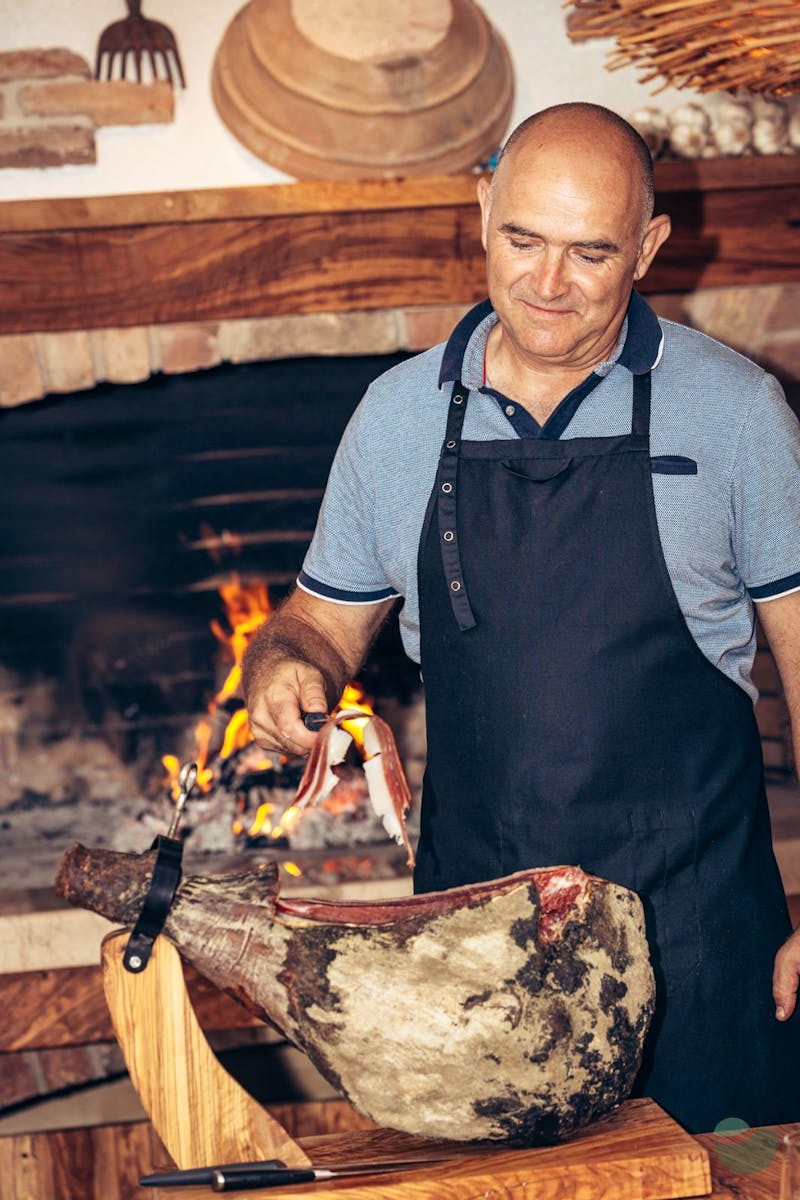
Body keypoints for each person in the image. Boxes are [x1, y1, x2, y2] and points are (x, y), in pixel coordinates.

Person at [242, 102, 800, 1133]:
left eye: (589, 252)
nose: (547, 284)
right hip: (479, 956)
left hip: (696, 946)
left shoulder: (735, 415)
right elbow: (317, 623)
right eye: (522, 239)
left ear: (648, 246)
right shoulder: (397, 417)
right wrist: (283, 663)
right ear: (481, 209)